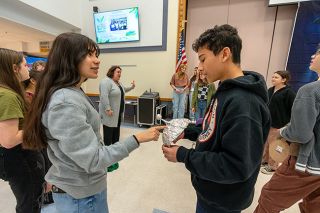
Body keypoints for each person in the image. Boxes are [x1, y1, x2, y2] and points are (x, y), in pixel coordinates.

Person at [22, 32, 163, 213]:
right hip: (81, 197)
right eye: (89, 55)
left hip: (84, 189)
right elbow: (93, 159)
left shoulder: (73, 92)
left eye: (96, 55)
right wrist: (136, 139)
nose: (96, 60)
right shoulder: (65, 101)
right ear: (68, 58)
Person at [162, 24, 270, 213]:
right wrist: (188, 131)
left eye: (203, 59)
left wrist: (183, 155)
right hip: (210, 191)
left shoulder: (244, 103)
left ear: (224, 54)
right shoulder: (225, 91)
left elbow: (235, 166)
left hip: (223, 200)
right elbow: (212, 128)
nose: (200, 67)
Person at [254, 47, 320, 213]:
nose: (313, 55)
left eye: (318, 53)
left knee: (269, 199)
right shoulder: (271, 91)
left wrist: (284, 131)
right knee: (313, 205)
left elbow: (301, 134)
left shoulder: (309, 91)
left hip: (307, 163)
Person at [0, 48, 45, 213]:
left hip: (19, 157)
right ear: (14, 68)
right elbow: (9, 139)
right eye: (26, 65)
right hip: (19, 158)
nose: (29, 69)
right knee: (29, 202)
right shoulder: (7, 96)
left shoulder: (8, 92)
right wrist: (38, 125)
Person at [99, 65, 135, 172]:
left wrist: (132, 87)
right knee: (108, 139)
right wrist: (107, 108)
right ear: (112, 72)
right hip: (109, 115)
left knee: (115, 138)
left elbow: (124, 90)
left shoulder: (118, 83)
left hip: (118, 115)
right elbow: (104, 96)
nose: (120, 74)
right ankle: (106, 162)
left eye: (120, 72)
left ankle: (113, 159)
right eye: (118, 72)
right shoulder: (106, 82)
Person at [260, 70, 296, 175]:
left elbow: (293, 110)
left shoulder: (289, 93)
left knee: (275, 146)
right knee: (266, 144)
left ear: (284, 80)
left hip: (279, 125)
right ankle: (265, 161)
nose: (273, 79)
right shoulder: (270, 90)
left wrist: (287, 125)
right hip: (267, 123)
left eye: (276, 77)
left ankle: (273, 166)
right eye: (273, 77)